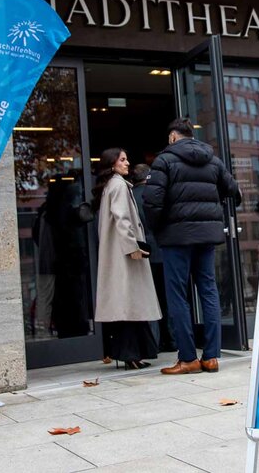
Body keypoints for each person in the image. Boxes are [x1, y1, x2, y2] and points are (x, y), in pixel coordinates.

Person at [144, 119, 241, 375]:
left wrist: (157, 230)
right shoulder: (213, 160)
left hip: (176, 238)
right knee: (208, 291)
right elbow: (235, 191)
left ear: (174, 137)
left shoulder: (164, 161)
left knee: (178, 295)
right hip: (207, 236)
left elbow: (152, 202)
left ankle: (188, 358)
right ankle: (211, 358)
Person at [92, 148, 162, 370]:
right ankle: (132, 355)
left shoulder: (109, 186)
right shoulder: (119, 186)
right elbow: (122, 219)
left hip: (116, 253)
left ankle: (130, 354)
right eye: (122, 159)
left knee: (126, 307)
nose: (127, 162)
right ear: (112, 164)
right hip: (125, 255)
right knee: (131, 306)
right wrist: (133, 246)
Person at [130, 163, 176, 352]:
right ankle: (171, 340)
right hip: (162, 250)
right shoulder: (157, 194)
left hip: (141, 252)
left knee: (148, 299)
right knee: (167, 299)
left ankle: (153, 343)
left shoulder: (131, 196)